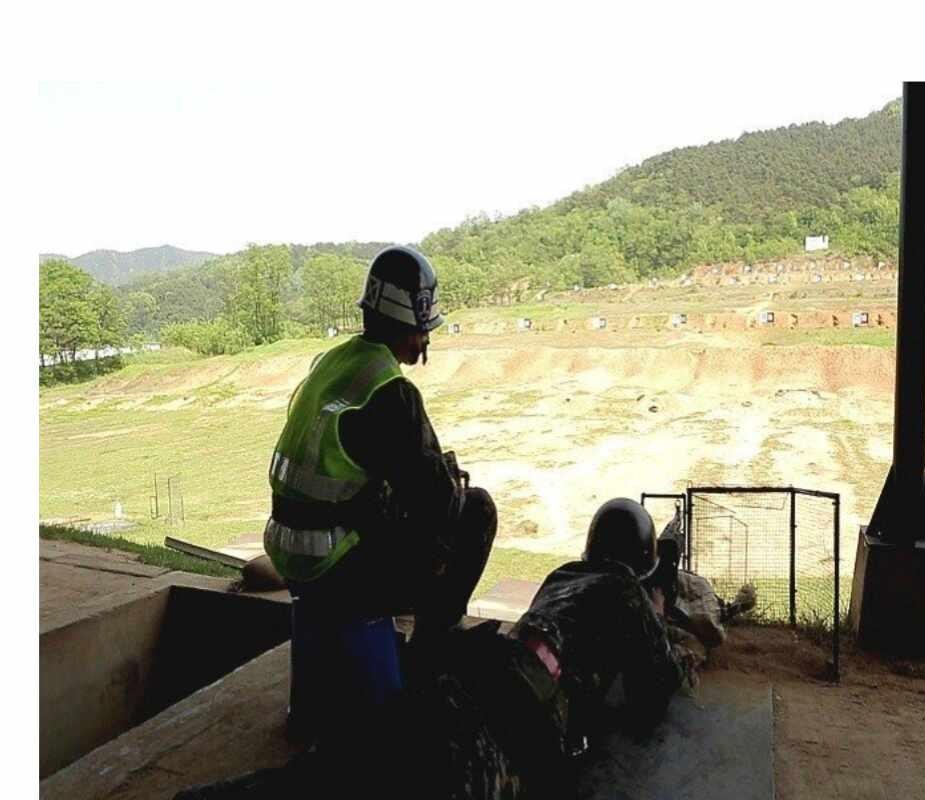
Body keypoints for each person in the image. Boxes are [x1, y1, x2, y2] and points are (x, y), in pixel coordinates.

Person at [174, 499, 711, 799]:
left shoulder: (561, 577)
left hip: (460, 682)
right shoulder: (626, 593)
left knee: (329, 774)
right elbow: (655, 696)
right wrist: (658, 616)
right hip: (509, 727)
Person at [262, 244, 498, 735]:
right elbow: (437, 505)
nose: (426, 341)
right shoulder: (391, 392)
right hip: (338, 568)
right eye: (424, 329)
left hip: (293, 555)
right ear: (411, 324)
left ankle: (321, 697)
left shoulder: (330, 363)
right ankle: (431, 652)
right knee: (476, 509)